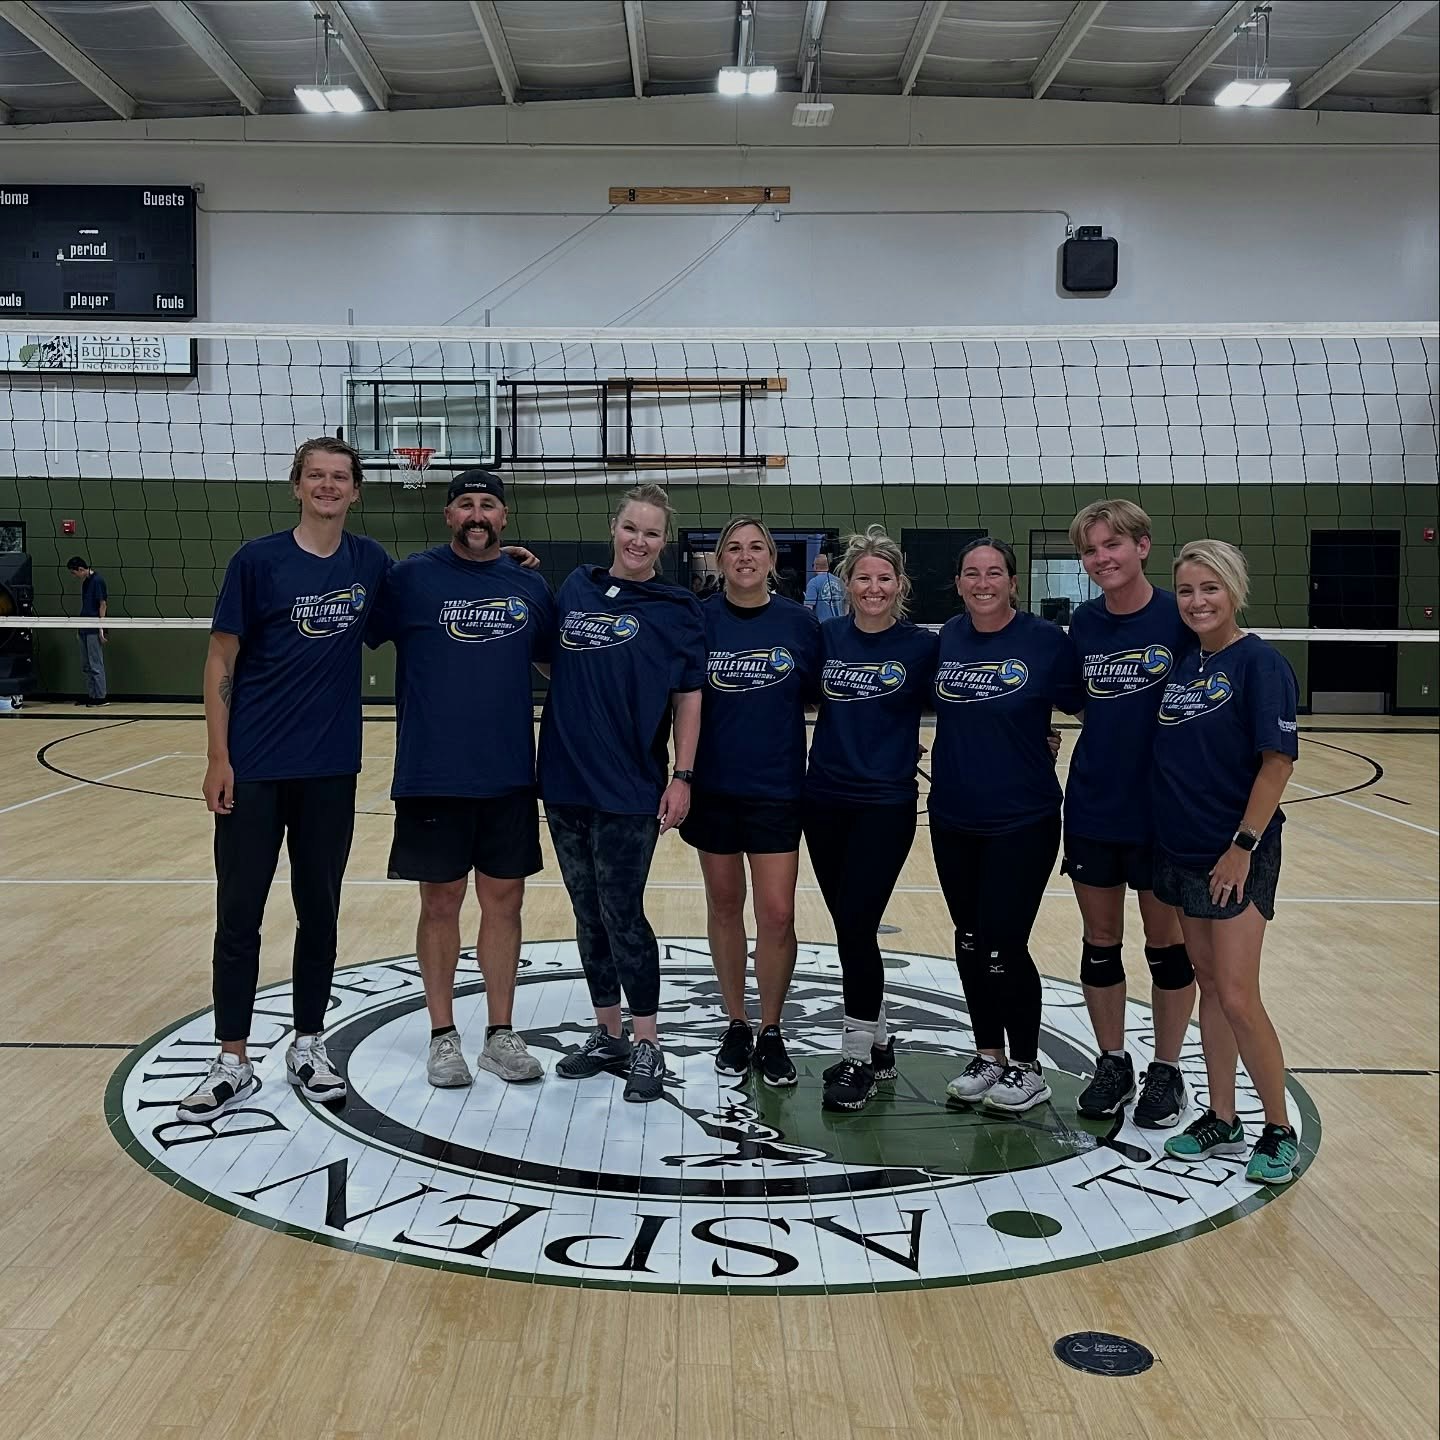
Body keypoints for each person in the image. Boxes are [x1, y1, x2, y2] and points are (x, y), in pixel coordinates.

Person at [176, 437, 391, 1124]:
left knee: (318, 912)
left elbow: (428, 604)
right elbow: (220, 659)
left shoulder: (370, 563)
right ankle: (231, 1060)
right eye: (315, 476)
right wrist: (218, 757)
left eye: (339, 477)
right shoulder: (257, 561)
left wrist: (496, 565)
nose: (328, 486)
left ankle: (309, 1044)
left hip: (330, 768)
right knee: (239, 913)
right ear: (296, 485)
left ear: (355, 490)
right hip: (255, 769)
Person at [375, 469, 556, 1088]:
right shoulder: (409, 579)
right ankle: (442, 1035)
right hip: (432, 773)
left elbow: (557, 661)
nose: (477, 515)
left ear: (503, 517)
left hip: (508, 773)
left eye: (488, 506)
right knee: (440, 902)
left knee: (505, 904)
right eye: (466, 505)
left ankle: (500, 1034)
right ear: (448, 515)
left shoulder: (528, 584)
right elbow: (351, 629)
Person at [537, 483, 705, 1103]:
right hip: (564, 780)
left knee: (622, 912)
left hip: (631, 786)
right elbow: (556, 657)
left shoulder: (677, 607)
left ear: (664, 541)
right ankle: (607, 1034)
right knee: (587, 912)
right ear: (614, 527)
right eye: (631, 528)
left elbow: (689, 697)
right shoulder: (576, 588)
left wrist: (682, 776)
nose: (639, 540)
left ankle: (647, 1042)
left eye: (652, 532)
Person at [1153, 540, 1300, 1185]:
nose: (1197, 601)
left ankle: (1278, 1127)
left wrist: (1241, 847)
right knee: (1209, 988)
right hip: (1182, 852)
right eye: (1186, 590)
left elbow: (1277, 764)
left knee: (1239, 996)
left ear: (1234, 590)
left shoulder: (1261, 663)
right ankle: (1222, 1116)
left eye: (1210, 588)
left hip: (1235, 854)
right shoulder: (1186, 665)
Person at [931, 538, 1085, 1114]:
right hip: (953, 815)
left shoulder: (1045, 641)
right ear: (958, 583)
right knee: (968, 938)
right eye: (971, 573)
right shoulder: (947, 638)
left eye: (994, 572)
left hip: (1023, 817)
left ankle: (1026, 1066)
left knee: (1004, 941)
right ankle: (988, 1055)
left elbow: (1092, 711)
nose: (983, 582)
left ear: (1013, 583)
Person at [1062, 500, 1197, 1129]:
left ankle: (1166, 1069)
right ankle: (1112, 1062)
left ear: (1142, 546)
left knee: (1165, 946)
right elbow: (1077, 700)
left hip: (1162, 811)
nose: (1101, 558)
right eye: (1090, 550)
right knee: (1100, 942)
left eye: (1112, 544)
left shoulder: (1180, 616)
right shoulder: (1084, 624)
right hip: (1094, 803)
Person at [680, 516, 821, 1087]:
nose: (745, 556)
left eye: (756, 547)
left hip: (777, 789)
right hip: (713, 788)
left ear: (771, 559)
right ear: (719, 559)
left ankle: (772, 1028)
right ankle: (737, 1022)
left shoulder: (800, 623)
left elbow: (830, 694)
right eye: (734, 548)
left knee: (777, 913)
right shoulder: (698, 619)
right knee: (723, 905)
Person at [803, 525, 938, 1112]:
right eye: (864, 578)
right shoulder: (826, 637)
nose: (874, 587)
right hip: (823, 799)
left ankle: (856, 1056)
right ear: (847, 584)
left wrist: (1038, 732)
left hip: (885, 804)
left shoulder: (921, 647)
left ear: (900, 585)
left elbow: (969, 702)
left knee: (857, 926)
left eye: (885, 578)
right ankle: (880, 1045)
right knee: (848, 929)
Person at [66, 556, 108, 706]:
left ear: (81, 569)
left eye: (74, 573)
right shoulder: (86, 582)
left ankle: (101, 697)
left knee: (95, 663)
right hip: (83, 627)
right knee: (86, 665)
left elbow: (103, 604)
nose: (74, 576)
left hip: (93, 628)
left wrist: (102, 628)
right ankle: (92, 695)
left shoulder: (98, 581)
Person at [804, 550, 846, 622]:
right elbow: (846, 604)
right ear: (827, 567)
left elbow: (808, 608)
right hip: (840, 624)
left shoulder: (813, 582)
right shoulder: (840, 582)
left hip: (822, 625)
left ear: (815, 567)